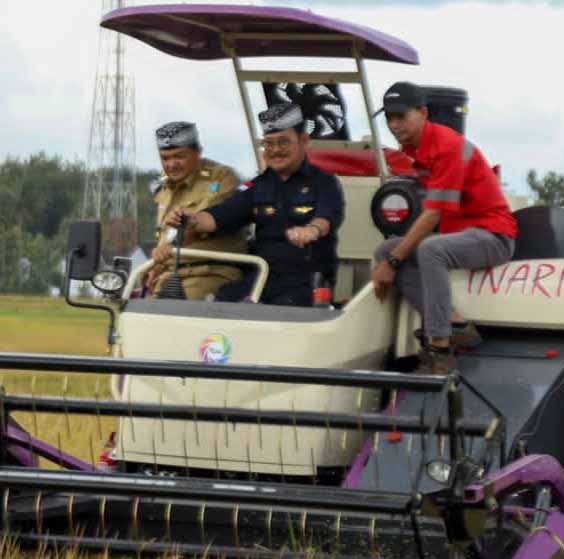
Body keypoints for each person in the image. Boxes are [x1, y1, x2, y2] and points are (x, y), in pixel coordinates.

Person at [370, 81, 518, 373]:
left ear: (423, 112)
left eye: (401, 116)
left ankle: (439, 349)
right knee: (383, 249)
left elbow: (433, 215)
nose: (394, 124)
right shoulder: (415, 147)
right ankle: (454, 321)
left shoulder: (447, 147)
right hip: (460, 234)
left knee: (427, 250)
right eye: (389, 117)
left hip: (494, 236)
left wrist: (395, 261)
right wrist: (390, 257)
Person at [165, 102, 344, 306]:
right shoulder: (257, 187)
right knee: (218, 306)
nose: (275, 150)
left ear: (303, 141)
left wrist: (311, 230)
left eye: (283, 142)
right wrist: (191, 219)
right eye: (269, 143)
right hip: (261, 278)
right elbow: (219, 216)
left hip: (304, 282)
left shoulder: (324, 183)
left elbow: (326, 218)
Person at [148, 121, 247, 300]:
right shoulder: (164, 188)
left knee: (172, 317)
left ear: (197, 152)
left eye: (179, 156)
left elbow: (205, 223)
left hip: (209, 273)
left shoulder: (221, 178)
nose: (171, 164)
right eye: (165, 158)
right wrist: (154, 266)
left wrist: (168, 248)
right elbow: (163, 236)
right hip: (170, 275)